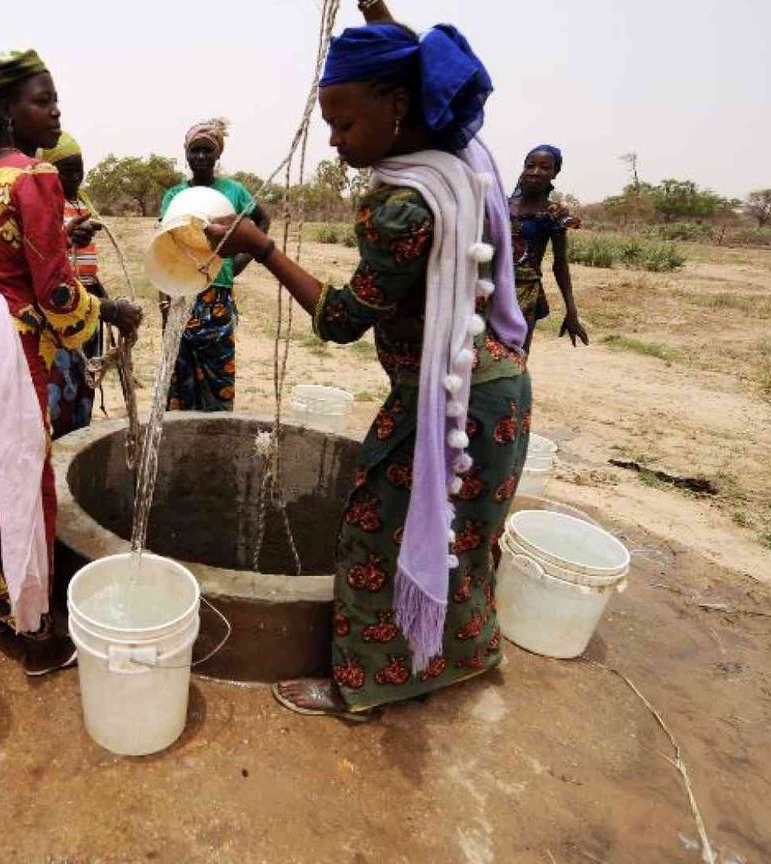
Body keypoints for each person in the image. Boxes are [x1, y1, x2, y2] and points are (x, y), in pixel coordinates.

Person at [203, 8, 533, 719]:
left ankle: (362, 684)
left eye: (345, 125)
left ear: (399, 105)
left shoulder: (404, 207)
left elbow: (344, 319)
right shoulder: (462, 165)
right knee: (464, 533)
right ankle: (466, 655)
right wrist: (376, 10)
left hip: (445, 398)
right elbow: (433, 73)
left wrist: (261, 249)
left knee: (372, 531)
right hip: (501, 389)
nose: (335, 139)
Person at [0, 50, 143, 674]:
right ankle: (34, 629)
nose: (55, 112)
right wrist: (110, 316)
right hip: (7, 348)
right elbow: (54, 292)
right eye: (42, 100)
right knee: (25, 479)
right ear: (8, 110)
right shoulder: (34, 178)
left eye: (56, 100)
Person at [160, 118, 271, 412]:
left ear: (218, 154)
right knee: (178, 375)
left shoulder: (233, 191)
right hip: (181, 292)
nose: (200, 157)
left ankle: (214, 437)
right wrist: (164, 303)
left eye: (206, 151)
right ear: (186, 154)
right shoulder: (174, 196)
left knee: (218, 373)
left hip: (217, 295)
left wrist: (237, 264)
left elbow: (262, 219)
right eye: (194, 150)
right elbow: (165, 245)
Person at [38, 131, 108, 437]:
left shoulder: (82, 202)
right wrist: (65, 238)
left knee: (85, 379)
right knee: (60, 379)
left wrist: (97, 286)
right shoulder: (43, 205)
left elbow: (85, 261)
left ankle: (80, 437)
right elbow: (42, 255)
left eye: (79, 169)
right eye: (67, 171)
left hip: (87, 302)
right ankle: (58, 444)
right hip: (60, 307)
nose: (76, 177)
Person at [511, 144, 588, 350]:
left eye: (545, 168)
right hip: (489, 289)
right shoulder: (499, 205)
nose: (536, 172)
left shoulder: (554, 213)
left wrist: (571, 311)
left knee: (515, 356)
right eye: (531, 166)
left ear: (554, 173)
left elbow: (560, 263)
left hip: (525, 294)